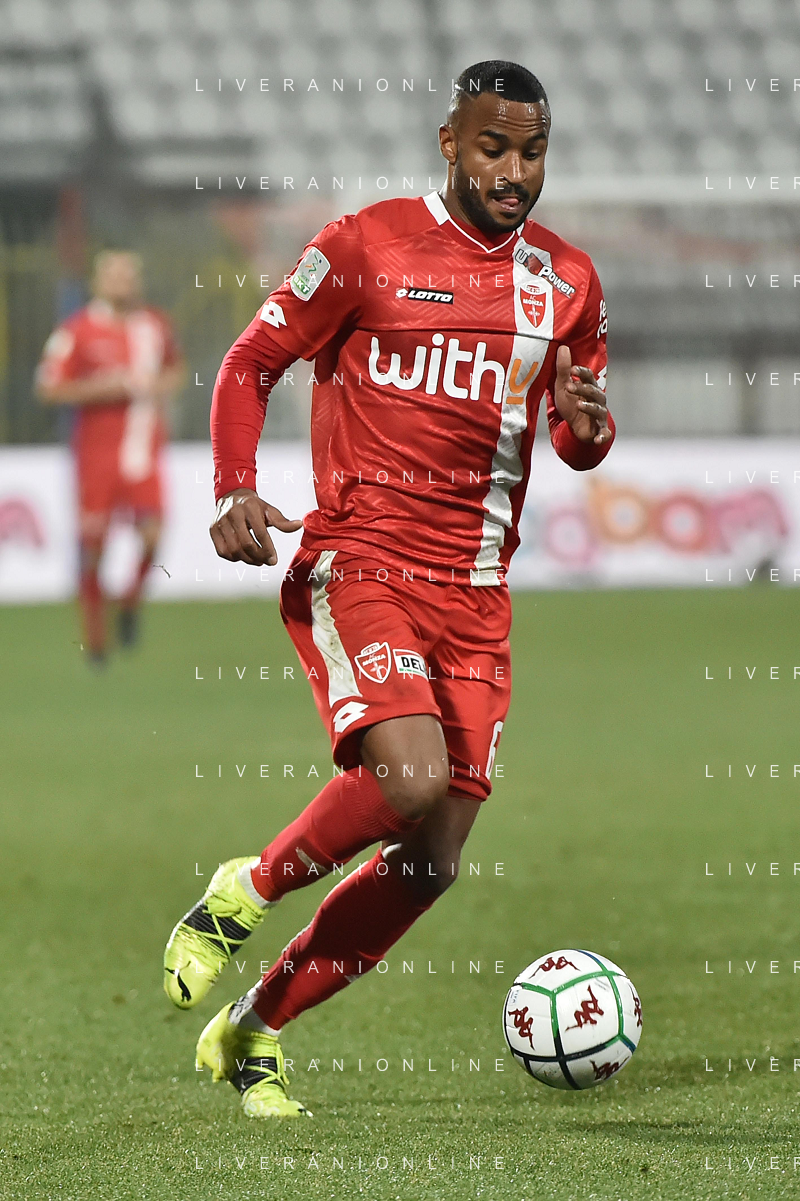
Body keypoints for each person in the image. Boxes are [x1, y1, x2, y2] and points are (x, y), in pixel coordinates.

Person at [163, 60, 615, 1119]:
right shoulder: (365, 246)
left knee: (433, 858)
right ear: (449, 143)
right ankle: (245, 889)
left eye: (532, 152)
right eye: (493, 147)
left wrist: (588, 429)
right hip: (363, 561)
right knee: (409, 780)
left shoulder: (568, 281)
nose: (513, 172)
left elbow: (572, 434)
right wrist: (234, 487)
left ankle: (253, 1028)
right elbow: (247, 365)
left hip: (477, 590)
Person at [36, 250, 184, 662]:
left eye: (129, 276)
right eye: (114, 276)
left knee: (153, 535)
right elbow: (49, 388)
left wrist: (159, 386)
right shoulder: (77, 331)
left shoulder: (155, 325)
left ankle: (130, 600)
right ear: (98, 282)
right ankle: (96, 637)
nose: (123, 283)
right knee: (93, 548)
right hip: (96, 458)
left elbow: (175, 369)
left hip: (143, 453)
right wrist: (104, 388)